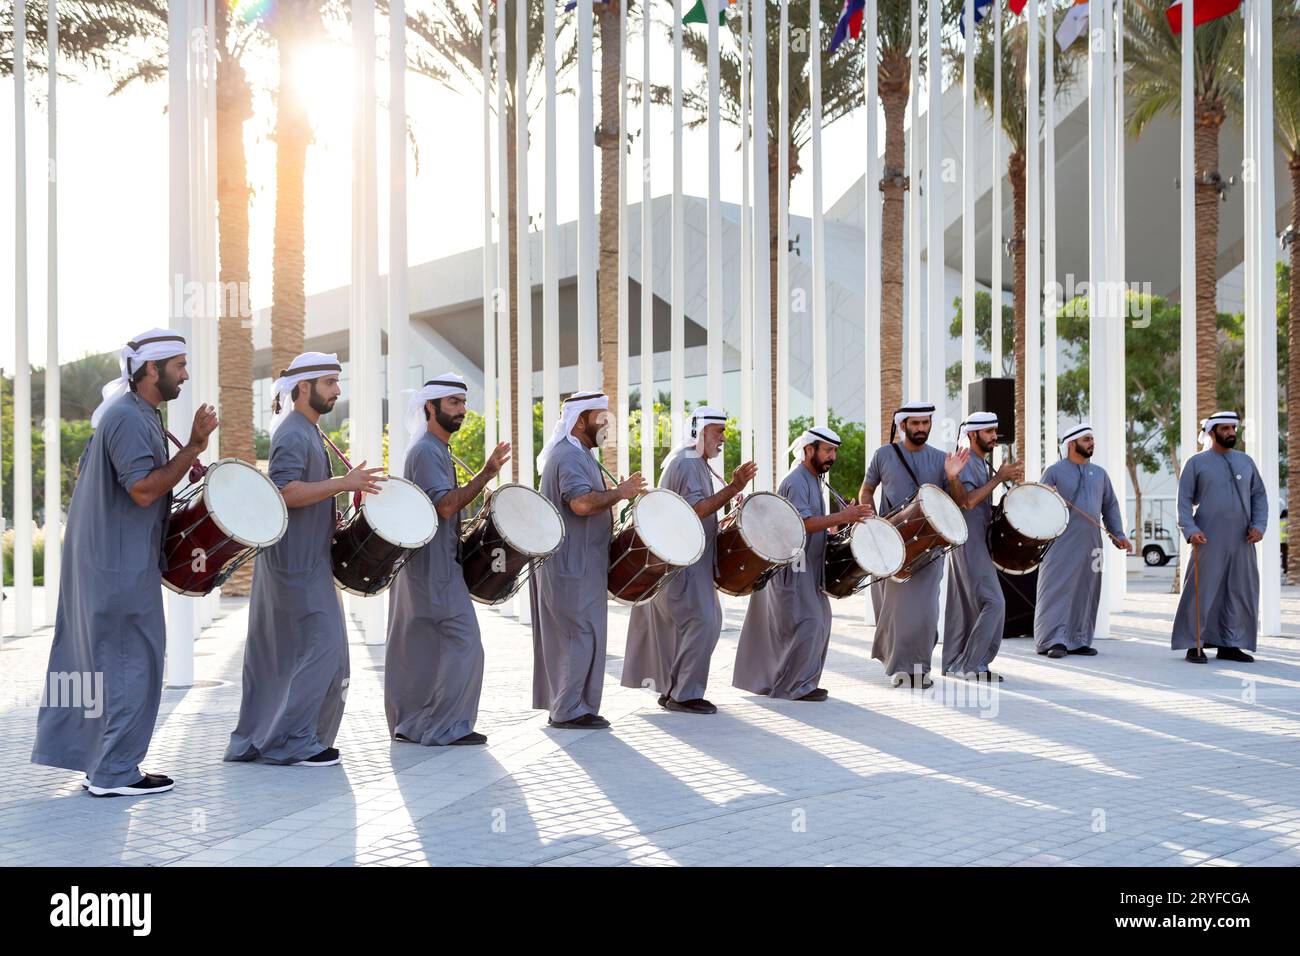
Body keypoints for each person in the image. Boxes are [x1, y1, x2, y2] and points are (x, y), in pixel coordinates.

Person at [33, 329, 217, 797]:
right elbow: (142, 489)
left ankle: (99, 764)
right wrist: (194, 448)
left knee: (97, 664)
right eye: (178, 365)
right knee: (131, 662)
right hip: (116, 566)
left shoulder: (136, 414)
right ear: (151, 369)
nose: (185, 373)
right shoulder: (130, 418)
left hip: (108, 561)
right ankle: (114, 773)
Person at [225, 353, 385, 766]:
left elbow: (308, 492)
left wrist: (341, 498)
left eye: (337, 381)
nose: (337, 390)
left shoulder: (309, 431)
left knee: (305, 653)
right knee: (324, 647)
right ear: (303, 388)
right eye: (330, 382)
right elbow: (284, 492)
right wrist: (342, 483)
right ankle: (291, 741)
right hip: (293, 565)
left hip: (309, 562)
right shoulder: (294, 433)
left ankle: (288, 738)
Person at [385, 375, 510, 745]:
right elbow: (444, 505)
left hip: (431, 566)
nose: (462, 410)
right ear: (430, 406)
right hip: (433, 569)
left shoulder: (435, 449)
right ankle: (445, 727)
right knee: (465, 642)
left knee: (424, 648)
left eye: (463, 403)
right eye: (453, 403)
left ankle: (414, 726)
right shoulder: (426, 450)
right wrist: (486, 473)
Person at [621, 407, 757, 714]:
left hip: (690, 560)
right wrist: (734, 487)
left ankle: (676, 690)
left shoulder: (696, 463)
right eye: (717, 431)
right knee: (702, 622)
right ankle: (683, 694)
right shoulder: (687, 462)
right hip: (683, 564)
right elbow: (696, 509)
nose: (723, 438)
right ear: (699, 431)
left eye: (724, 431)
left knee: (699, 624)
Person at [530, 391, 645, 729]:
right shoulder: (567, 456)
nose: (606, 424)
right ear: (580, 420)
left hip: (584, 565)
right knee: (575, 635)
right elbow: (580, 503)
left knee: (586, 635)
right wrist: (621, 493)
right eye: (601, 418)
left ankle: (578, 707)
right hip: (570, 565)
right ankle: (567, 711)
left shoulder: (582, 455)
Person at [733, 427, 872, 701]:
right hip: (793, 570)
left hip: (809, 569)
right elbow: (802, 524)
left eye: (834, 451)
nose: (833, 456)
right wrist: (842, 515)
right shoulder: (797, 480)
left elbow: (815, 523)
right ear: (809, 450)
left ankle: (803, 683)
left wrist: (840, 521)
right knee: (807, 622)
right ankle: (791, 686)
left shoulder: (814, 479)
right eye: (827, 450)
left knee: (819, 621)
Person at [859, 401, 963, 687]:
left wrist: (953, 477)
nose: (921, 428)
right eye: (915, 423)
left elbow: (955, 502)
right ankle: (901, 669)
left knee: (926, 610)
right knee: (897, 611)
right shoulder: (884, 455)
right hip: (891, 544)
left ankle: (920, 668)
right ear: (903, 425)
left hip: (930, 547)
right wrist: (871, 519)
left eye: (925, 423)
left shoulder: (943, 459)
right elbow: (867, 488)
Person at [1171, 411, 1268, 664]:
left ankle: (1231, 644)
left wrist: (1259, 525)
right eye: (1225, 428)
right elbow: (1183, 502)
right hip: (1208, 539)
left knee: (1239, 591)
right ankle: (1195, 644)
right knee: (1201, 590)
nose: (1231, 433)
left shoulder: (1246, 462)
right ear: (1212, 432)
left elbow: (1259, 496)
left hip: (1242, 540)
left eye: (1233, 428)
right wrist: (1190, 530)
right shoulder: (1196, 462)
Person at [1034, 423, 1131, 659]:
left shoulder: (1099, 474)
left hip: (1092, 544)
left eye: (1092, 439)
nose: (1091, 443)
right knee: (1056, 590)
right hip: (1060, 544)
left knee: (1087, 590)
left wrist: (1118, 535)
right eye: (1087, 439)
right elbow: (1038, 506)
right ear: (1072, 444)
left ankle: (1079, 639)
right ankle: (1053, 640)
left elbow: (1110, 506)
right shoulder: (1054, 472)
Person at [942, 412, 1022, 681]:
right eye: (989, 432)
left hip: (975, 543)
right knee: (994, 602)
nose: (994, 436)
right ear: (972, 434)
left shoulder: (982, 464)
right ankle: (971, 665)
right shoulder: (966, 462)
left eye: (995, 431)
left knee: (967, 606)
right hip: (968, 544)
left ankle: (956, 662)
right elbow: (967, 501)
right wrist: (999, 478)